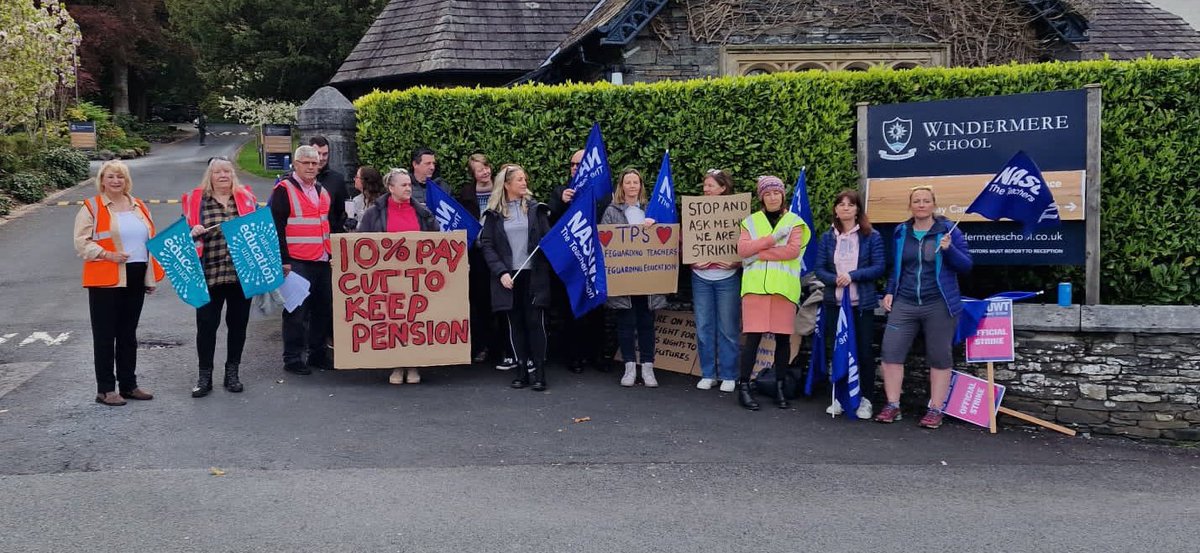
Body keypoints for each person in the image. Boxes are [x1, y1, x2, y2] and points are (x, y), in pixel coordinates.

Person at [876, 185, 973, 429]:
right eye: (916, 201)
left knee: (939, 357)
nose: (921, 204)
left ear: (934, 205)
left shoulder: (948, 231)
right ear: (910, 206)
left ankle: (935, 409)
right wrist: (889, 291)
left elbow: (966, 266)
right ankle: (892, 405)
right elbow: (897, 267)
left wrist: (950, 250)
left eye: (926, 201)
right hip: (905, 301)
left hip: (938, 303)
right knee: (890, 353)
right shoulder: (901, 232)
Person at [73, 160, 165, 406]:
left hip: (135, 276)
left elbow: (149, 244)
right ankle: (105, 389)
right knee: (105, 336)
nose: (116, 181)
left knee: (128, 334)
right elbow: (81, 243)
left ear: (127, 181)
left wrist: (150, 277)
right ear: (102, 180)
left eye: (120, 177)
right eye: (111, 177)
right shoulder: (92, 207)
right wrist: (107, 255)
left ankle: (128, 385)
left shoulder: (140, 206)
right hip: (106, 279)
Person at [182, 157, 259, 397]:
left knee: (238, 326)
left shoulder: (246, 198)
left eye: (227, 171)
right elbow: (183, 236)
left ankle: (232, 373)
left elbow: (257, 231)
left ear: (233, 174)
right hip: (209, 274)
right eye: (218, 172)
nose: (223, 175)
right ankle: (204, 376)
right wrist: (192, 232)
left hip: (239, 275)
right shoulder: (197, 201)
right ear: (210, 176)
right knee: (206, 327)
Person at [735, 175, 810, 411]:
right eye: (767, 193)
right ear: (762, 197)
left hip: (783, 290)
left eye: (776, 192)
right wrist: (771, 240)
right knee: (752, 340)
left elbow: (792, 251)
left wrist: (758, 254)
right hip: (755, 288)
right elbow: (742, 249)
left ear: (782, 194)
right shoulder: (751, 221)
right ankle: (744, 387)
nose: (772, 197)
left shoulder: (795, 221)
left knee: (782, 341)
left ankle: (779, 386)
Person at [358, 168, 439, 385]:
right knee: (394, 321)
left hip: (416, 277)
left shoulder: (423, 213)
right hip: (387, 277)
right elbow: (359, 243)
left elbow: (438, 242)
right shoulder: (374, 213)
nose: (408, 188)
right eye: (403, 185)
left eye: (409, 185)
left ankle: (413, 365)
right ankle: (396, 365)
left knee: (414, 320)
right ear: (390, 187)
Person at [478, 164, 553, 391]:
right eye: (519, 179)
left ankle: (539, 371)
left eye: (524, 179)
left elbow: (547, 238)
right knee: (515, 324)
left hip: (533, 275)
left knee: (535, 323)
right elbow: (487, 245)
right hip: (508, 277)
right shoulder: (494, 214)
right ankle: (521, 370)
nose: (524, 183)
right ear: (507, 185)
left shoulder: (535, 209)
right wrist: (501, 272)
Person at [814, 189, 885, 418]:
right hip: (834, 305)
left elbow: (879, 267)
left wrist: (853, 275)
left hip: (860, 305)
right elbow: (820, 268)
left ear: (857, 209)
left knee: (863, 352)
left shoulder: (871, 236)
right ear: (835, 209)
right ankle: (839, 397)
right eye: (841, 204)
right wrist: (833, 279)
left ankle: (865, 398)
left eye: (850, 204)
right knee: (837, 351)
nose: (845, 208)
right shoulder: (827, 237)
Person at [270, 145, 333, 375]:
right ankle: (293, 358)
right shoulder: (283, 190)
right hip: (296, 261)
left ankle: (317, 354)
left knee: (322, 310)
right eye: (305, 162)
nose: (310, 167)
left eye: (314, 163)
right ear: (295, 164)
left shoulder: (321, 190)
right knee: (296, 311)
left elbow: (328, 223)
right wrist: (283, 259)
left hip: (322, 258)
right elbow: (276, 226)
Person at [601, 168, 665, 388]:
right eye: (627, 182)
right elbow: (605, 242)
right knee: (626, 323)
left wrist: (655, 226)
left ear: (640, 185)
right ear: (621, 186)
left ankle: (647, 367)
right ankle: (629, 366)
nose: (631, 186)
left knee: (647, 322)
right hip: (624, 280)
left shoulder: (652, 209)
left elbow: (666, 236)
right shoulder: (611, 211)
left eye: (635, 182)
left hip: (648, 279)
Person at [549, 149, 611, 373]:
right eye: (573, 164)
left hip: (594, 260)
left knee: (596, 310)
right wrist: (561, 202)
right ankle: (573, 357)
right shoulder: (559, 192)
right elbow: (551, 227)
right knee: (570, 311)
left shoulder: (601, 193)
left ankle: (597, 356)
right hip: (571, 263)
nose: (576, 168)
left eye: (580, 164)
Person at [459, 153, 515, 370]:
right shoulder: (466, 193)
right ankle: (482, 346)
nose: (484, 171)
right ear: (472, 173)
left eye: (486, 166)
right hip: (477, 255)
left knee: (502, 303)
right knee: (480, 302)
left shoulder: (502, 189)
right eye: (479, 168)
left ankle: (504, 347)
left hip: (500, 253)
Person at [690, 169, 742, 393]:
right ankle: (708, 373)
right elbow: (686, 242)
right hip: (701, 277)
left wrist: (735, 263)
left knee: (728, 328)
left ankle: (729, 374)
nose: (706, 189)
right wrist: (692, 261)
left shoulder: (736, 212)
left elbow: (745, 243)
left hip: (727, 277)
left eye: (710, 185)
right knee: (703, 326)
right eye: (704, 185)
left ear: (723, 188)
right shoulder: (695, 211)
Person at [309, 136, 349, 235]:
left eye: (325, 154)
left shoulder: (337, 180)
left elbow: (342, 212)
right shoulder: (295, 179)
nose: (321, 158)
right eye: (318, 154)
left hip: (328, 239)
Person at [346, 166, 384, 232]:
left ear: (365, 180)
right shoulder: (356, 200)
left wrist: (357, 224)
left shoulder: (381, 201)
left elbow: (378, 227)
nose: (354, 179)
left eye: (357, 177)